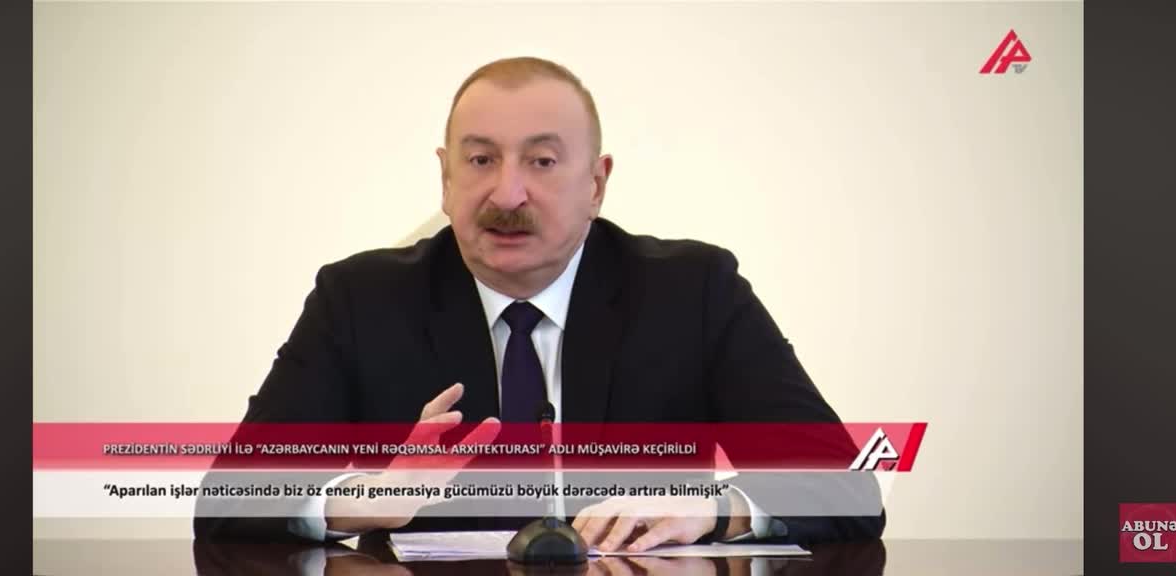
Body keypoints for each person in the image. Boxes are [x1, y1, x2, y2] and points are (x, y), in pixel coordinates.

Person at [194, 56, 884, 549]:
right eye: (481, 160)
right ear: (445, 178)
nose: (507, 193)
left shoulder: (693, 291)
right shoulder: (360, 299)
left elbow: (847, 489)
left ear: (597, 183)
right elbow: (228, 499)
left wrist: (714, 508)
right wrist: (362, 499)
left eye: (542, 162)